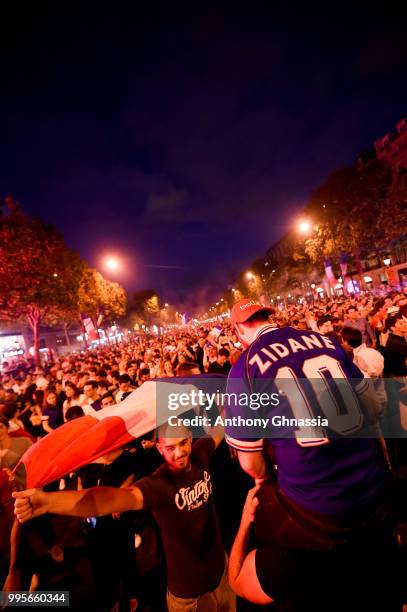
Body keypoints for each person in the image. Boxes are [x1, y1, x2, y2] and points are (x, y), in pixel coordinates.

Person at [224, 298, 397, 610]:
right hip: (374, 493)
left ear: (237, 331)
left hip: (314, 512)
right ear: (270, 317)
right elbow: (370, 408)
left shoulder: (244, 369)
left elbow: (250, 462)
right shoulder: (326, 342)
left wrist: (265, 484)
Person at [13, 423, 236, 612]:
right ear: (159, 449)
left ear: (190, 440)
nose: (178, 453)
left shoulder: (201, 454)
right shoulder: (157, 484)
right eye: (170, 448)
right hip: (190, 594)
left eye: (183, 444)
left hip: (222, 572)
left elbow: (220, 426)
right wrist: (49, 502)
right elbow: (104, 501)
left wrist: (240, 390)